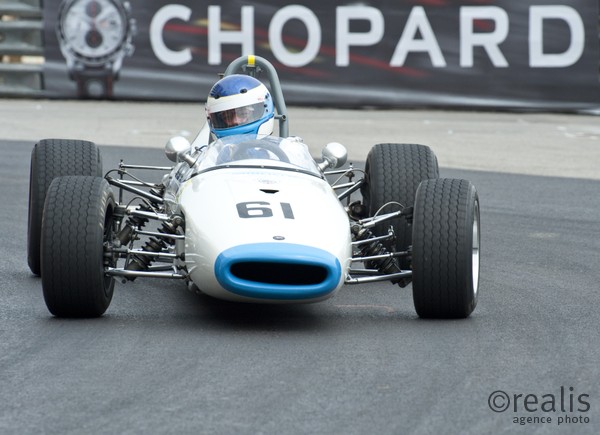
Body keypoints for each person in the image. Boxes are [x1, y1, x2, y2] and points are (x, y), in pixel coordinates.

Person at [205, 74, 274, 139]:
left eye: (243, 114)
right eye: (227, 117)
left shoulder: (279, 149)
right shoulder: (212, 150)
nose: (236, 121)